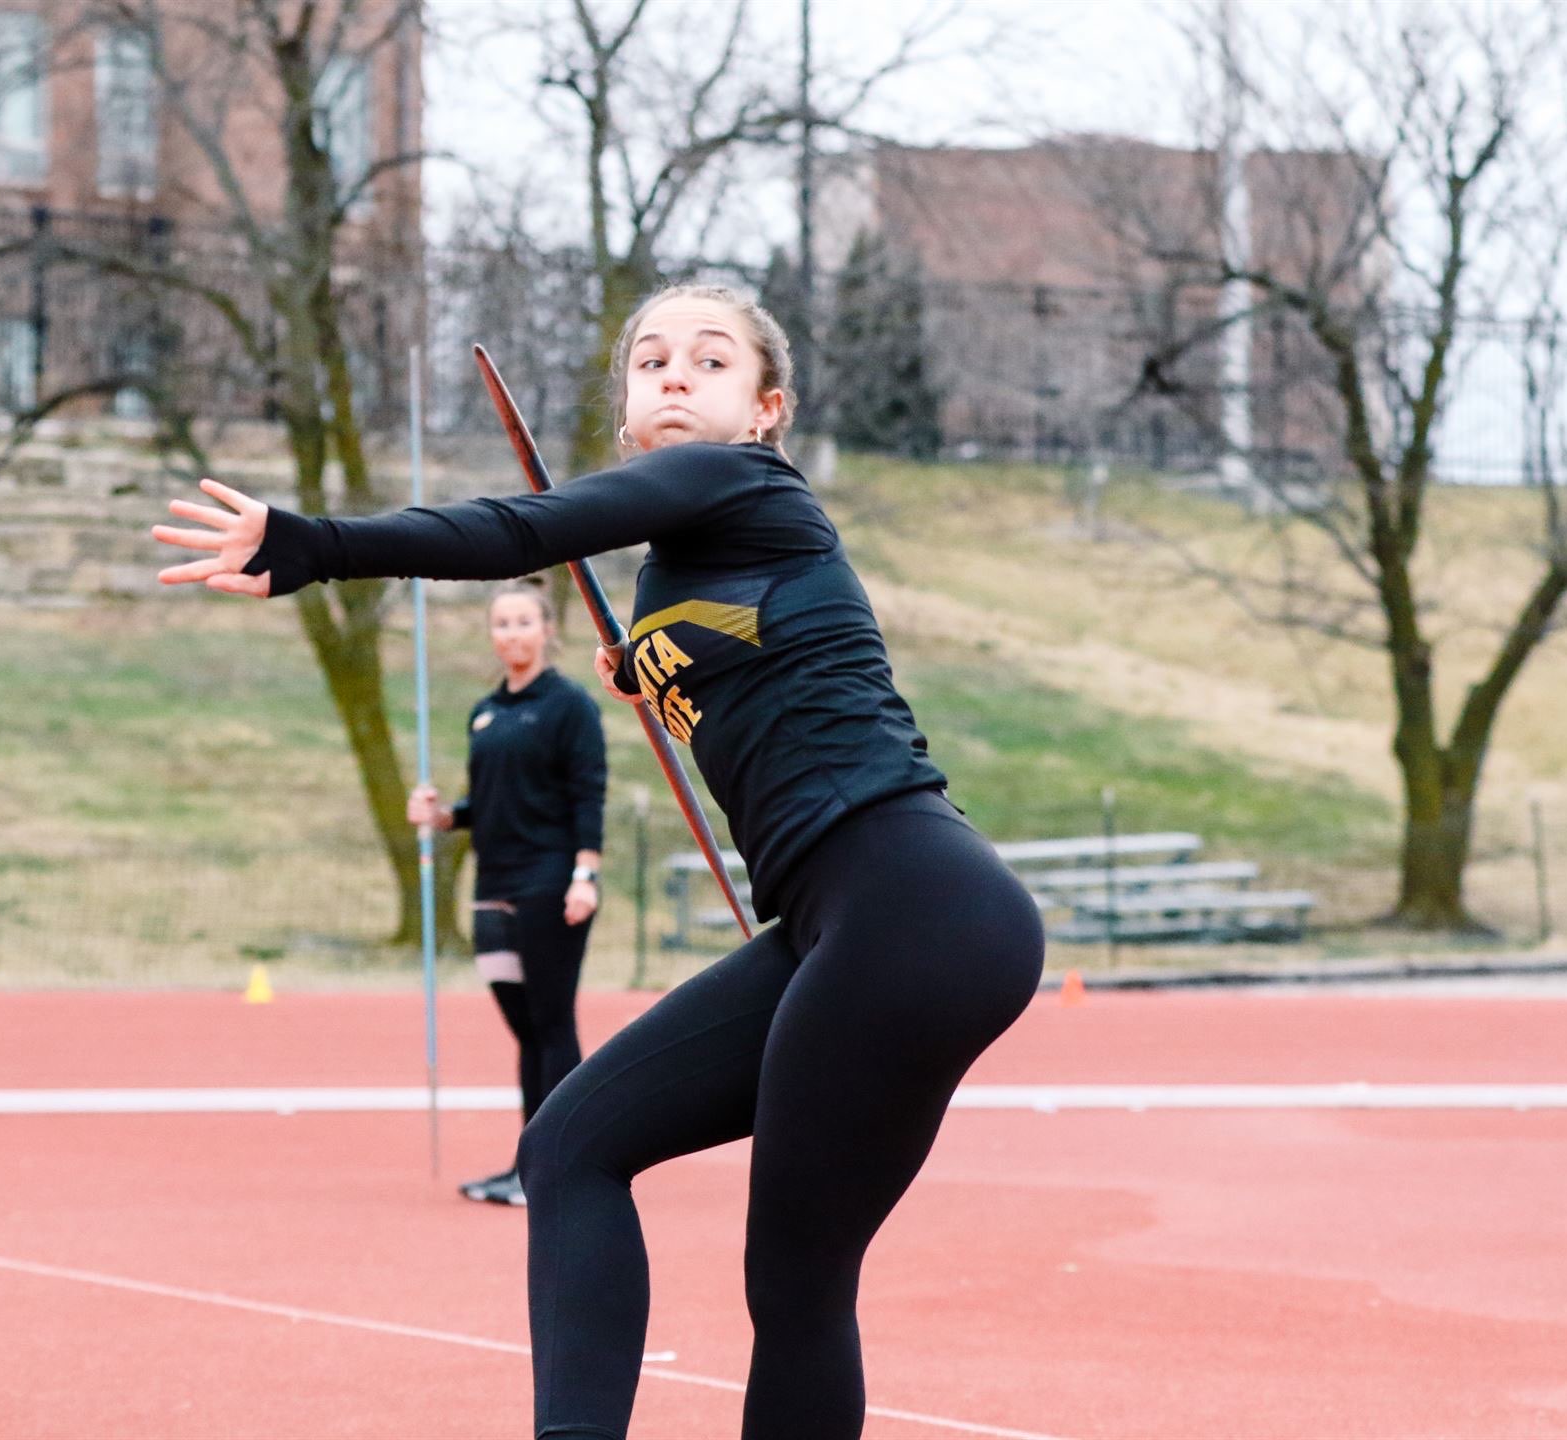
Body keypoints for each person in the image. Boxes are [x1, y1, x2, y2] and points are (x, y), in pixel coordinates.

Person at [152, 284, 1045, 1440]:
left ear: (764, 410)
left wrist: (315, 544)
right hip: (854, 919)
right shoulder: (675, 568)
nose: (675, 376)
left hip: (911, 904)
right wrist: (655, 667)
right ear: (628, 411)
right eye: (651, 361)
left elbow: (518, 533)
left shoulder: (745, 483)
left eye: (710, 362)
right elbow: (743, 653)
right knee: (574, 1147)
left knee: (796, 1280)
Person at [406, 576, 607, 1208]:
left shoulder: (570, 705)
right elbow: (491, 799)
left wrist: (586, 873)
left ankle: (565, 1165)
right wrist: (444, 816)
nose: (512, 633)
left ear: (548, 629)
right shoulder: (484, 711)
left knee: (552, 1025)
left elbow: (587, 793)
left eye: (524, 622)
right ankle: (532, 1164)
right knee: (526, 1032)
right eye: (501, 624)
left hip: (548, 884)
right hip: (491, 887)